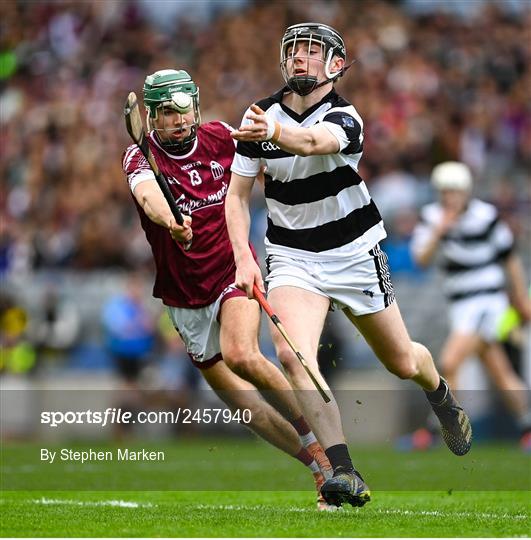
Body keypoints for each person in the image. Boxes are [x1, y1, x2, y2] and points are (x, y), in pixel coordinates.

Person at [225, 22, 473, 508]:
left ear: (335, 66)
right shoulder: (261, 116)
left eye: (312, 51)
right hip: (293, 255)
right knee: (293, 353)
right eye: (294, 49)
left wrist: (273, 131)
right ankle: (342, 471)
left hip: (355, 253)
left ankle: (439, 391)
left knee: (402, 361)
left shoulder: (344, 116)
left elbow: (312, 143)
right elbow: (237, 197)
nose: (300, 57)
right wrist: (243, 256)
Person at [121, 68, 335, 511]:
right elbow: (148, 197)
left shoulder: (220, 137)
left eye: (184, 109)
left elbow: (265, 165)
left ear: (195, 106)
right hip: (182, 296)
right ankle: (316, 466)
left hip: (232, 271)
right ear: (153, 118)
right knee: (244, 406)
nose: (178, 120)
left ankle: (327, 445)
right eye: (165, 113)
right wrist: (170, 223)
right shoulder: (138, 156)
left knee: (242, 354)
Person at [407, 161, 531, 449]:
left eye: (455, 191)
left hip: (487, 301)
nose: (450, 197)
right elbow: (421, 261)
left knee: (449, 362)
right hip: (460, 304)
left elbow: (509, 258)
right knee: (500, 371)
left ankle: (438, 430)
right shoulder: (431, 218)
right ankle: (527, 425)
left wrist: (521, 300)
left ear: (466, 191)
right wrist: (440, 230)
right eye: (445, 191)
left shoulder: (485, 216)